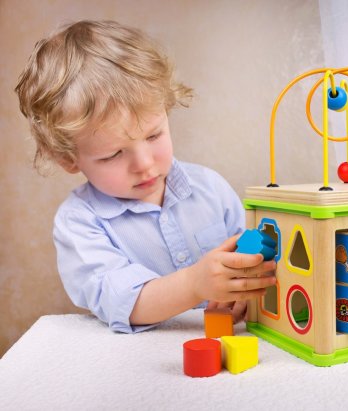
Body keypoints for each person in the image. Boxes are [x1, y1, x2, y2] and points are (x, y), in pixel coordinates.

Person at [15, 20, 276, 333]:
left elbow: (254, 263)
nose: (144, 164)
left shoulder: (210, 187)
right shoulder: (80, 222)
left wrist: (246, 289)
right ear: (68, 158)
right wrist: (194, 284)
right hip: (141, 358)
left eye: (153, 136)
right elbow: (122, 302)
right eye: (113, 154)